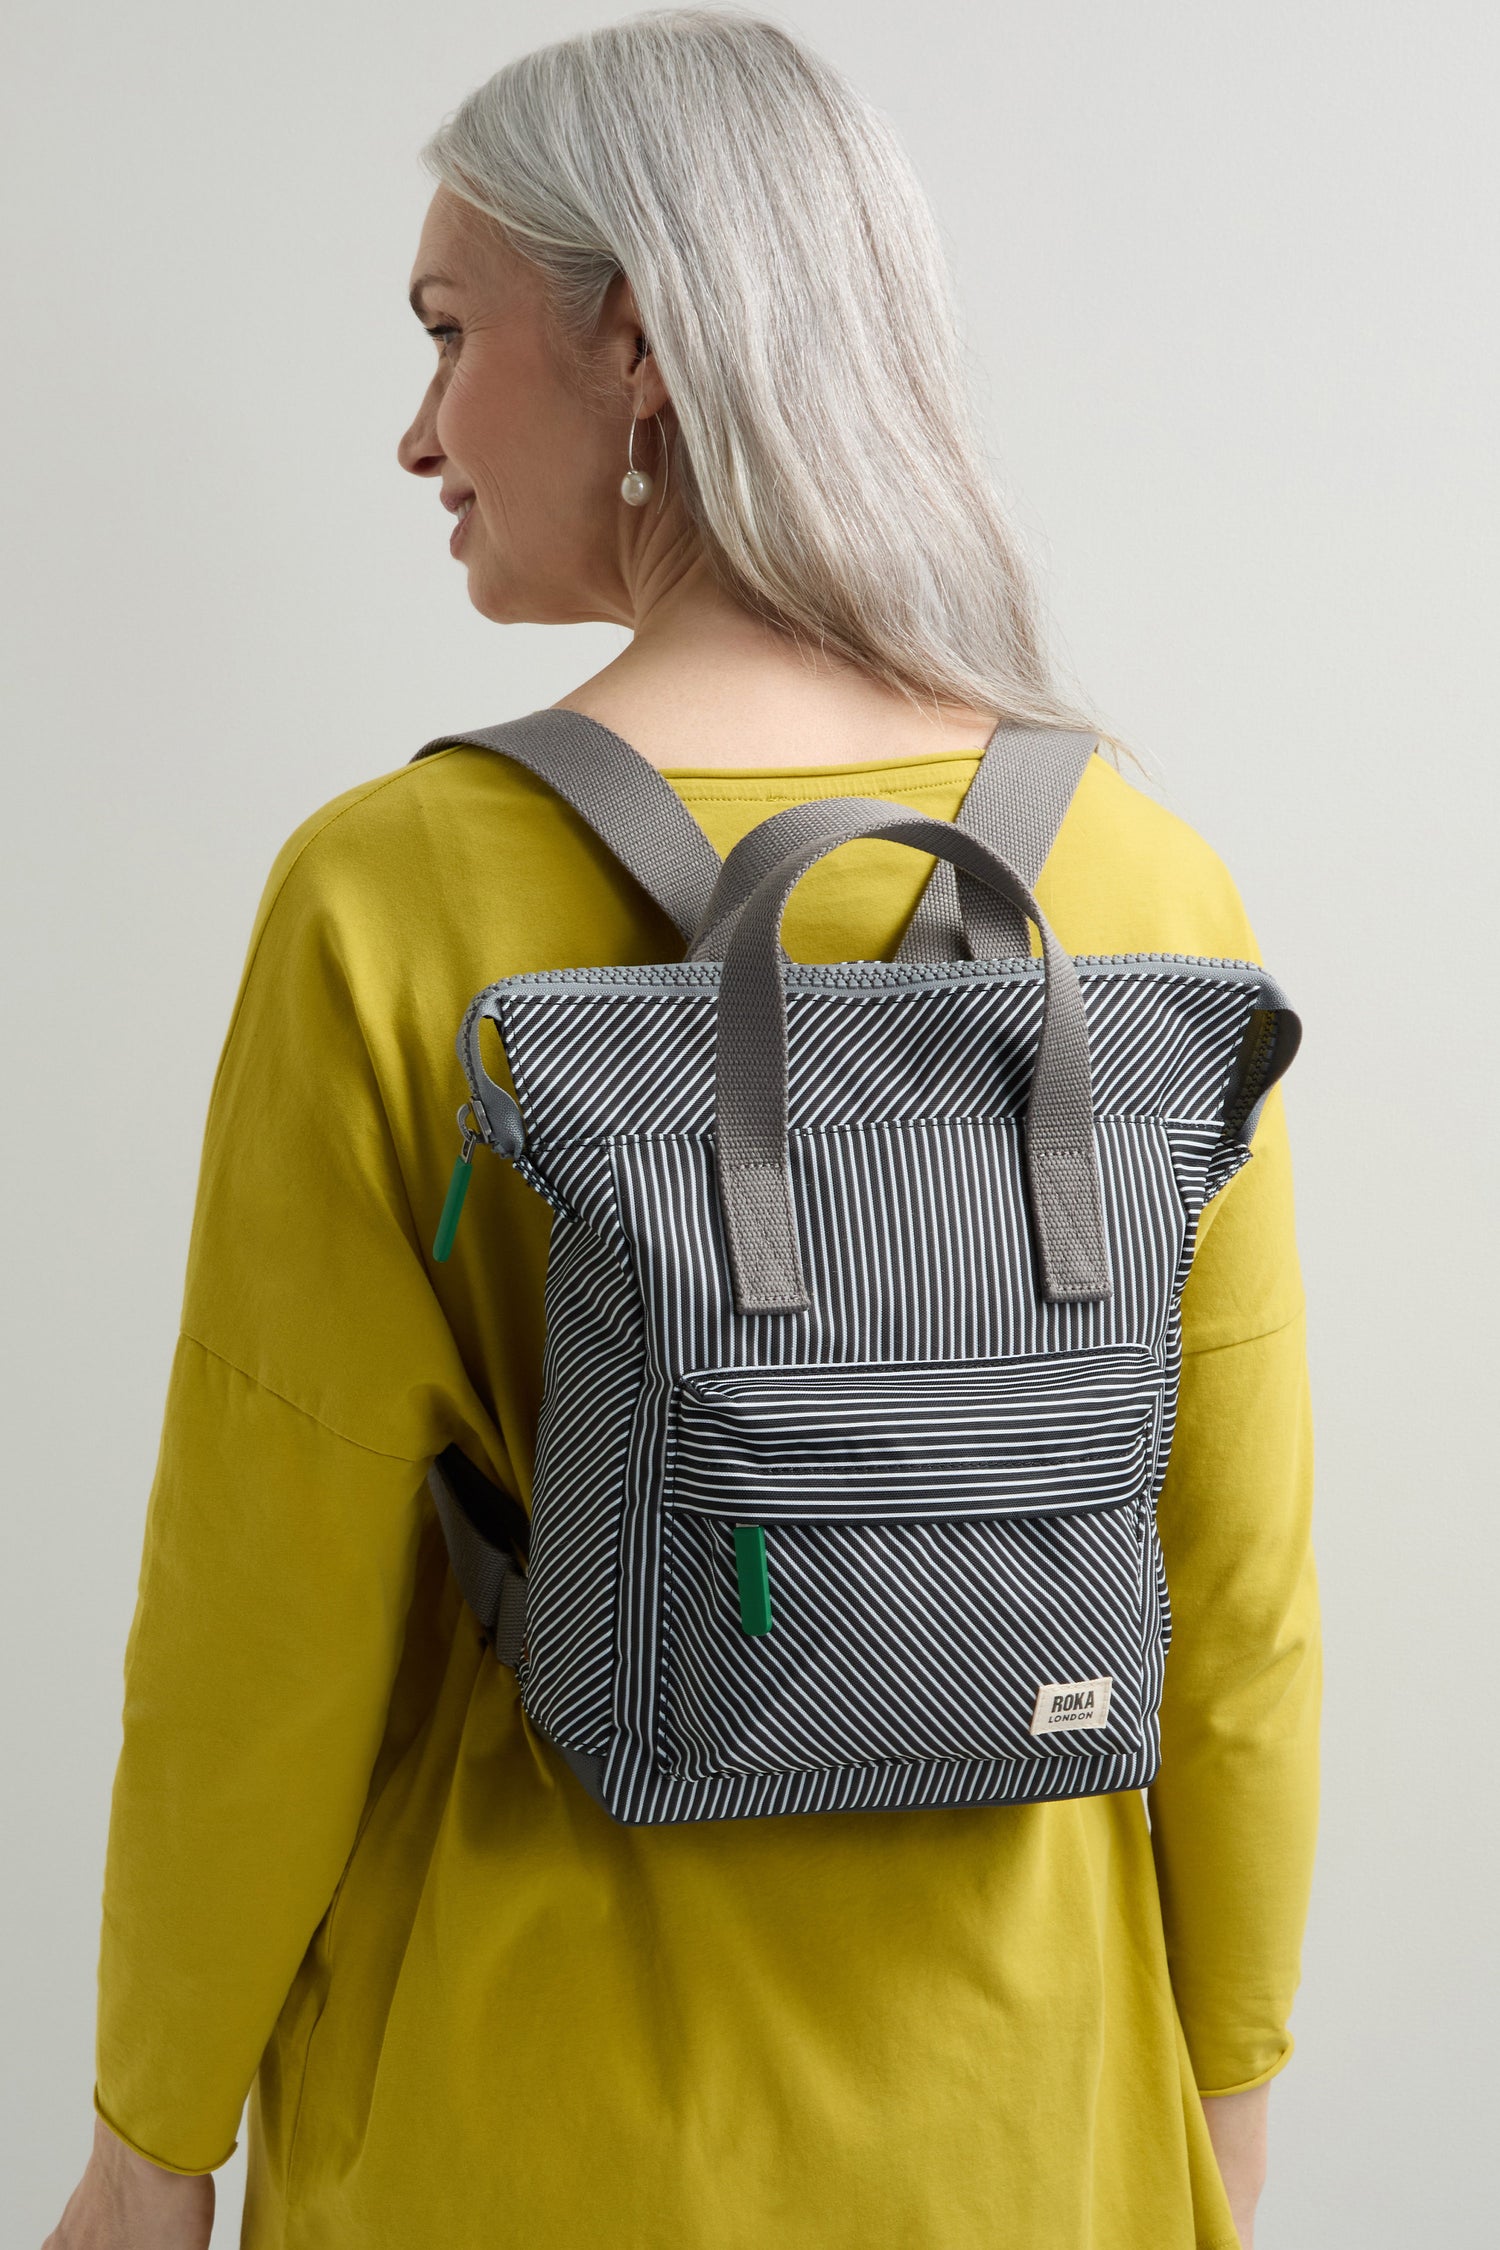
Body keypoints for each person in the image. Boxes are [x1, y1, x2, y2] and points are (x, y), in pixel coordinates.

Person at [44, 14, 1318, 2249]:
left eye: (450, 334)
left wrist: (152, 2146)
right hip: (1034, 2115)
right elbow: (1238, 1599)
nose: (416, 430)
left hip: (513, 2120)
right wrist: (1217, 2117)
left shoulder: (394, 894)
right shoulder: (1140, 884)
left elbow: (266, 1616)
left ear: (633, 337)